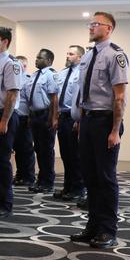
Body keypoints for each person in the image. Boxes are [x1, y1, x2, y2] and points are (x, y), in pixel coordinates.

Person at [70, 11, 128, 249]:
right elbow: (84, 93)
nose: (91, 27)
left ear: (109, 28)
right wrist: (80, 119)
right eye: (90, 23)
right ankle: (92, 226)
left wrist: (115, 130)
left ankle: (107, 229)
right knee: (90, 177)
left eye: (96, 24)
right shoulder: (88, 56)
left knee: (105, 178)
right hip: (88, 121)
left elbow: (120, 96)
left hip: (106, 122)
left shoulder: (116, 55)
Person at [0, 26, 21, 219]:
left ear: (5, 42)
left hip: (3, 115)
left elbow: (12, 93)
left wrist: (4, 121)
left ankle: (3, 203)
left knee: (1, 162)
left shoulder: (10, 63)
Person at [54, 45, 86, 201]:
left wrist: (78, 118)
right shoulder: (62, 73)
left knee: (75, 156)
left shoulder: (82, 73)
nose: (67, 56)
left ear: (80, 57)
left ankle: (78, 189)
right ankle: (67, 187)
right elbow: (56, 97)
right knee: (66, 155)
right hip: (62, 116)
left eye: (71, 54)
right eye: (67, 53)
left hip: (73, 117)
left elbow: (81, 98)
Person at [25, 49, 59, 194]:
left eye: (40, 58)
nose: (36, 59)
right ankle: (41, 180)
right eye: (36, 57)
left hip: (46, 115)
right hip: (34, 115)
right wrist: (29, 115)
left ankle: (48, 182)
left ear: (49, 61)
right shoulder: (34, 75)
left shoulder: (51, 75)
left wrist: (53, 118)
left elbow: (54, 98)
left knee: (46, 150)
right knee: (38, 149)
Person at [13, 55, 35, 187]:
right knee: (17, 148)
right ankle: (20, 174)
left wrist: (30, 117)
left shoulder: (28, 80)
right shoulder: (13, 77)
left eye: (20, 64)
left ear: (25, 66)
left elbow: (31, 101)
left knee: (26, 149)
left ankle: (29, 176)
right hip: (14, 117)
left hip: (24, 118)